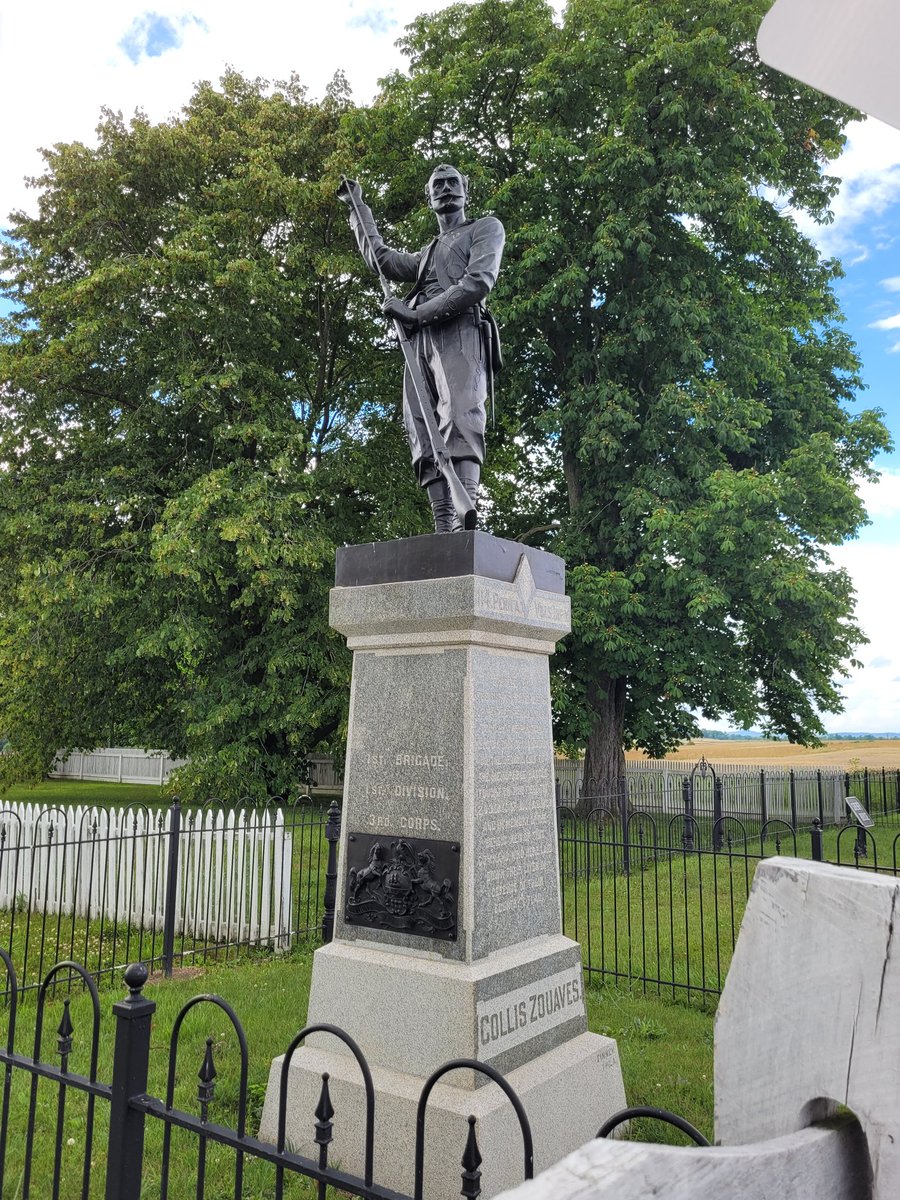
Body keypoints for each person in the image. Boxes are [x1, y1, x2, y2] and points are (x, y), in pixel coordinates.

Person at [338, 166, 505, 532]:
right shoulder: (427, 253)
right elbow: (381, 259)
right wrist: (358, 208)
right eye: (438, 186)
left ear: (466, 189)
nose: (446, 190)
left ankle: (466, 522)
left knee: (461, 420)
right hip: (419, 344)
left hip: (459, 331)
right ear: (428, 197)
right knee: (421, 431)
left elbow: (477, 282)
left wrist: (414, 314)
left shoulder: (485, 228)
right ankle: (443, 525)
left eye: (452, 183)